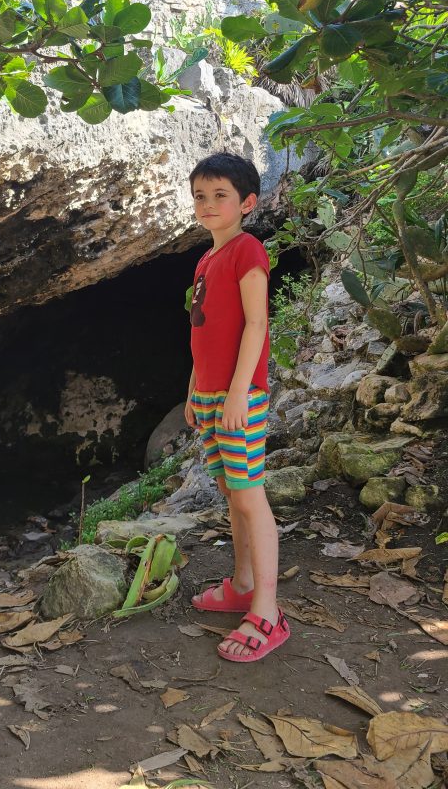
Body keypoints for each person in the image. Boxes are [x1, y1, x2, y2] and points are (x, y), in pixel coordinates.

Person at [184, 152, 289, 663]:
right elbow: (202, 331)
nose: (207, 204)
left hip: (237, 396)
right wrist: (193, 391)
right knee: (232, 490)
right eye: (200, 195)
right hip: (209, 395)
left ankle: (267, 612)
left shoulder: (247, 250)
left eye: (219, 195)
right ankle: (243, 584)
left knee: (250, 496)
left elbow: (256, 324)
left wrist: (237, 393)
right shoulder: (207, 259)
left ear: (247, 202)